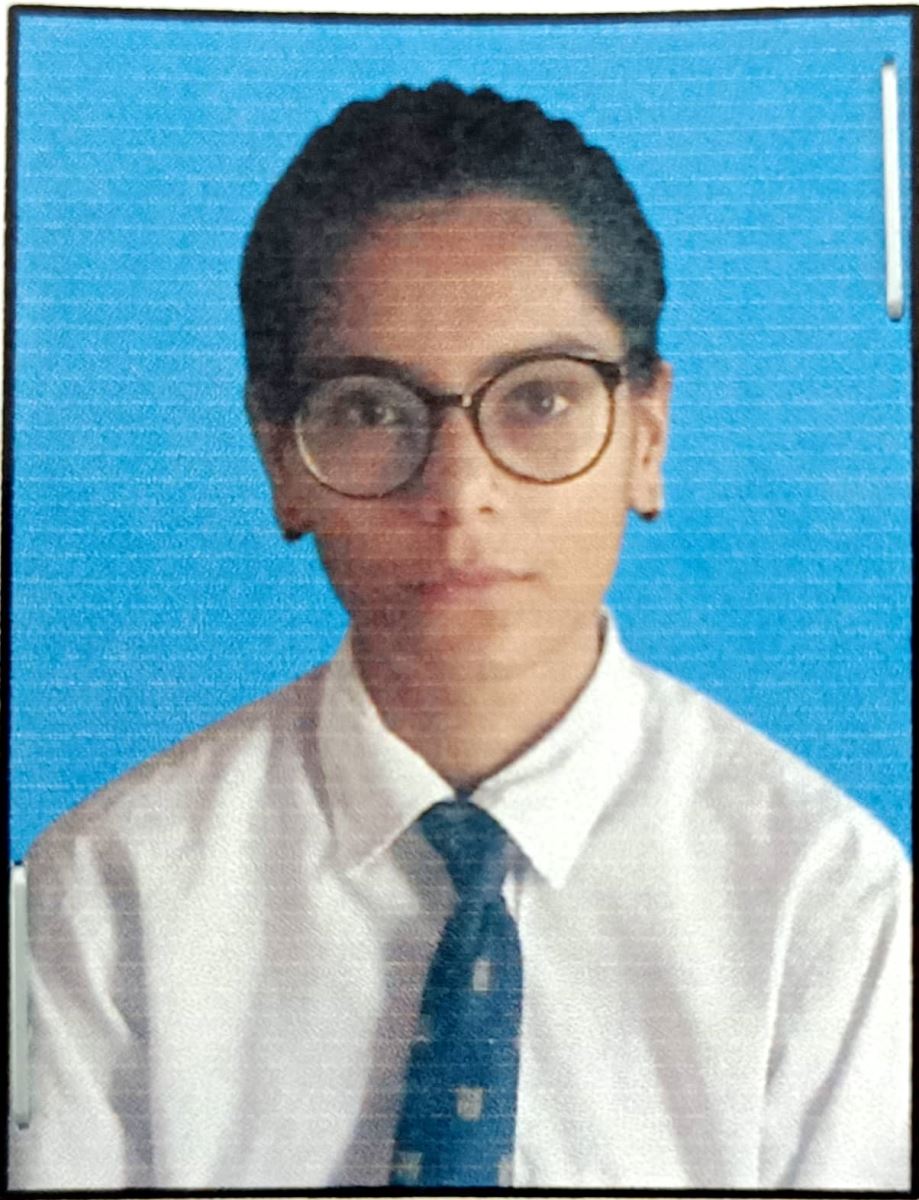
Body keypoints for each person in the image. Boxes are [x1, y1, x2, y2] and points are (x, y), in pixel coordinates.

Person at [9, 82, 910, 1191]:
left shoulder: (820, 897)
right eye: (372, 408)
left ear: (646, 435)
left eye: (539, 398)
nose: (460, 493)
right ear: (280, 457)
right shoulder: (111, 894)